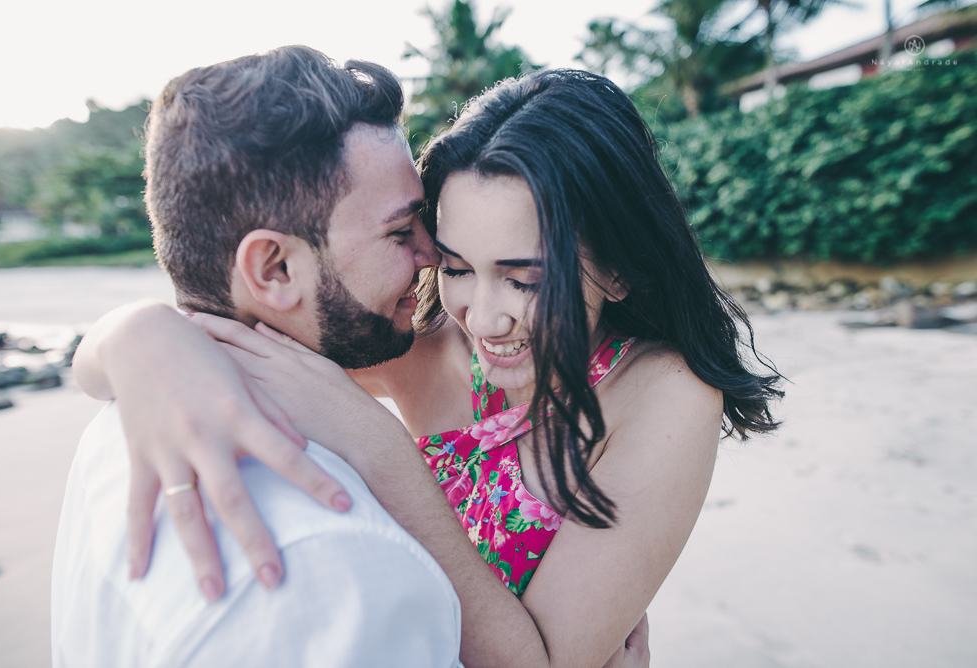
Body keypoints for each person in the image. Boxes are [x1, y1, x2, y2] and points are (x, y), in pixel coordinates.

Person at [77, 64, 781, 667]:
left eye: (525, 280)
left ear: (621, 268)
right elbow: (229, 328)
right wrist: (135, 335)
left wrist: (383, 453)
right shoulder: (424, 341)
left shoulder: (664, 395)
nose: (483, 316)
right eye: (454, 266)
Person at [52, 46, 465, 668]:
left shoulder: (119, 429)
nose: (432, 255)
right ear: (273, 269)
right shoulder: (339, 566)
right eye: (400, 231)